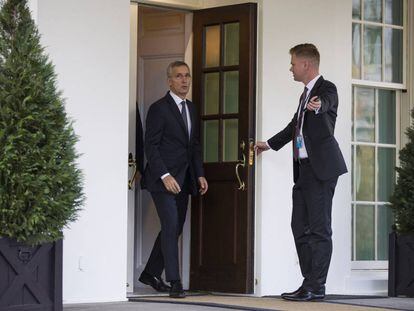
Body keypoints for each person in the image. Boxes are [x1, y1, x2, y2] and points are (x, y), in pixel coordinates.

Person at [255, 43, 347, 302]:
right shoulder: (304, 94)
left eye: (293, 63)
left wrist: (318, 105)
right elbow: (294, 126)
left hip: (322, 169)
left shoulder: (325, 90)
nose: (291, 68)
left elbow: (327, 103)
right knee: (299, 226)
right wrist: (269, 144)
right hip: (304, 170)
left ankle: (316, 286)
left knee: (319, 229)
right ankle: (309, 282)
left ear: (306, 65)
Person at [139, 61, 208, 298]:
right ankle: (175, 281)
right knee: (170, 226)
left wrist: (199, 173)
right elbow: (151, 145)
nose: (184, 80)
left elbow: (194, 146)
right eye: (179, 76)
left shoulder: (192, 108)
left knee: (175, 228)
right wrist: (164, 175)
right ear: (169, 81)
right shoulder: (159, 108)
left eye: (187, 75)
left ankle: (150, 273)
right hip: (162, 180)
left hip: (184, 179)